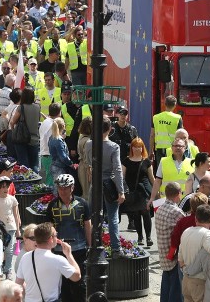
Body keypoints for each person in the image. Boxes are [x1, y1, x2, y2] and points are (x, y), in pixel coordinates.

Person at [46, 173, 90, 302]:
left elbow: (87, 224)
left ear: (72, 188)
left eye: (65, 188)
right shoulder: (52, 205)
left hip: (79, 248)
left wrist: (90, 244)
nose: (62, 191)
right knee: (63, 284)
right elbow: (49, 227)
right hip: (59, 250)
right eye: (60, 188)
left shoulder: (82, 203)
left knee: (80, 283)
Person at [84, 116, 124, 252]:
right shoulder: (114, 147)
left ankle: (92, 244)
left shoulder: (89, 144)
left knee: (91, 215)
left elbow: (88, 162)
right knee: (112, 216)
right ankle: (115, 248)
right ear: (110, 130)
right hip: (109, 184)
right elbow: (117, 169)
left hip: (95, 183)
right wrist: (121, 191)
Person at [16, 222, 82, 302]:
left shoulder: (25, 257)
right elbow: (76, 276)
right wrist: (69, 255)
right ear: (51, 239)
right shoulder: (58, 260)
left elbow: (18, 284)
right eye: (56, 235)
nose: (57, 238)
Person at [154, 181, 185, 302]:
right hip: (173, 254)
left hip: (163, 253)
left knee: (166, 286)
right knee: (175, 289)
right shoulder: (176, 212)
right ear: (178, 194)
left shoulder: (160, 208)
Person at [122, 137, 155, 247]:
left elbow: (152, 178)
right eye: (135, 147)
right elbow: (122, 177)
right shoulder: (126, 161)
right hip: (132, 192)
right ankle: (140, 237)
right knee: (136, 214)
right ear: (131, 148)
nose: (137, 149)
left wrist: (156, 192)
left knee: (145, 213)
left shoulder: (146, 162)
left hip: (144, 191)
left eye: (139, 147)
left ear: (142, 148)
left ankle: (149, 237)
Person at [0, 175, 20, 278]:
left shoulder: (12, 200)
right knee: (0, 248)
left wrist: (18, 230)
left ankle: (8, 270)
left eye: (7, 186)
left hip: (11, 226)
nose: (5, 189)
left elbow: (16, 215)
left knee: (10, 249)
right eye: (3, 187)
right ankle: (0, 268)